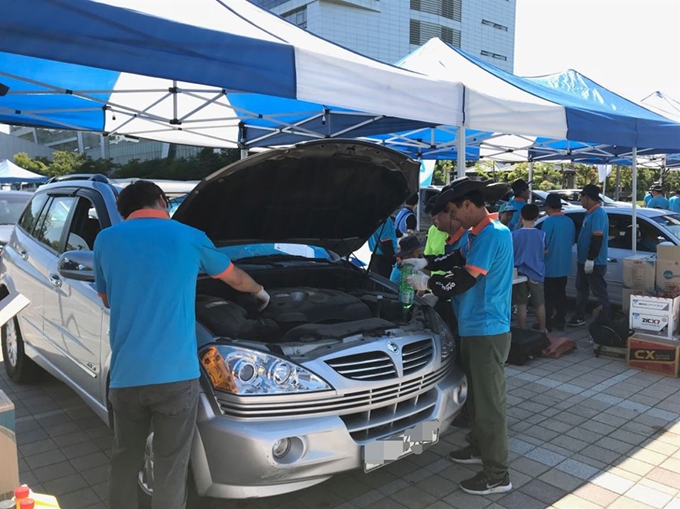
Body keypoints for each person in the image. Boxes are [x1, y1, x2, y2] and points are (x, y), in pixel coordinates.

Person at [94, 181, 270, 509]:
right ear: (162, 200)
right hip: (176, 377)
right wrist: (260, 291)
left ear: (123, 211)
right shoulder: (189, 236)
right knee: (170, 466)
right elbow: (235, 279)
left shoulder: (106, 240)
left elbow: (105, 298)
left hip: (126, 375)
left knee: (124, 459)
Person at [400, 177, 513, 496]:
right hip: (473, 326)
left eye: (454, 211)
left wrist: (427, 284)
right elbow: (455, 260)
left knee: (490, 404)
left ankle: (497, 474)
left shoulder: (493, 234)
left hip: (487, 329)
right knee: (477, 398)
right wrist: (426, 262)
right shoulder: (476, 235)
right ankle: (478, 447)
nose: (453, 219)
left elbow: (466, 278)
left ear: (468, 205)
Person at [567, 184, 610, 327]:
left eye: (582, 197)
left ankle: (605, 320)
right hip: (584, 260)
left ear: (588, 197)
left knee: (599, 291)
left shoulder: (598, 213)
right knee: (582, 289)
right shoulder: (589, 213)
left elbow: (597, 238)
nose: (580, 200)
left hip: (594, 261)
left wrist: (591, 259)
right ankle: (579, 316)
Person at [542, 193, 576, 331]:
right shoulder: (569, 221)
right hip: (565, 265)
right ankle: (560, 320)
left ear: (548, 207)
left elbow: (543, 244)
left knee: (548, 295)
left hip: (550, 266)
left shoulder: (548, 222)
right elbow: (572, 241)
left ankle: (547, 323)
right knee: (561, 294)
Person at [511, 204, 547, 332]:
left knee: (521, 303)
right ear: (536, 217)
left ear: (520, 216)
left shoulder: (514, 235)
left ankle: (522, 330)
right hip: (537, 272)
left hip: (519, 273)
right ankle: (542, 329)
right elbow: (544, 251)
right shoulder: (541, 235)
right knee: (539, 303)